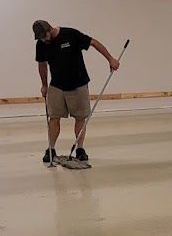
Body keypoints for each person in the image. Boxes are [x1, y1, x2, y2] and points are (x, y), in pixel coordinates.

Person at [34, 20, 119, 164]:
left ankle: (80, 149)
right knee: (53, 118)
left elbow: (93, 42)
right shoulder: (41, 44)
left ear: (50, 29)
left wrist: (110, 59)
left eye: (45, 36)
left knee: (80, 118)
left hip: (78, 84)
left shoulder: (70, 34)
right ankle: (51, 149)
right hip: (57, 86)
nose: (44, 40)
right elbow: (42, 64)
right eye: (40, 38)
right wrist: (44, 85)